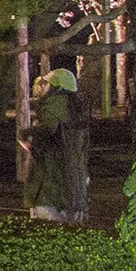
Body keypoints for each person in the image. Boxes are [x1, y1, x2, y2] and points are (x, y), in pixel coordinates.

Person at [23, 66, 90, 223]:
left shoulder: (55, 103)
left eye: (47, 84)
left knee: (47, 231)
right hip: (75, 185)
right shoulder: (76, 109)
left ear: (56, 87)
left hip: (51, 186)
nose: (42, 88)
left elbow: (48, 129)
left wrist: (26, 134)